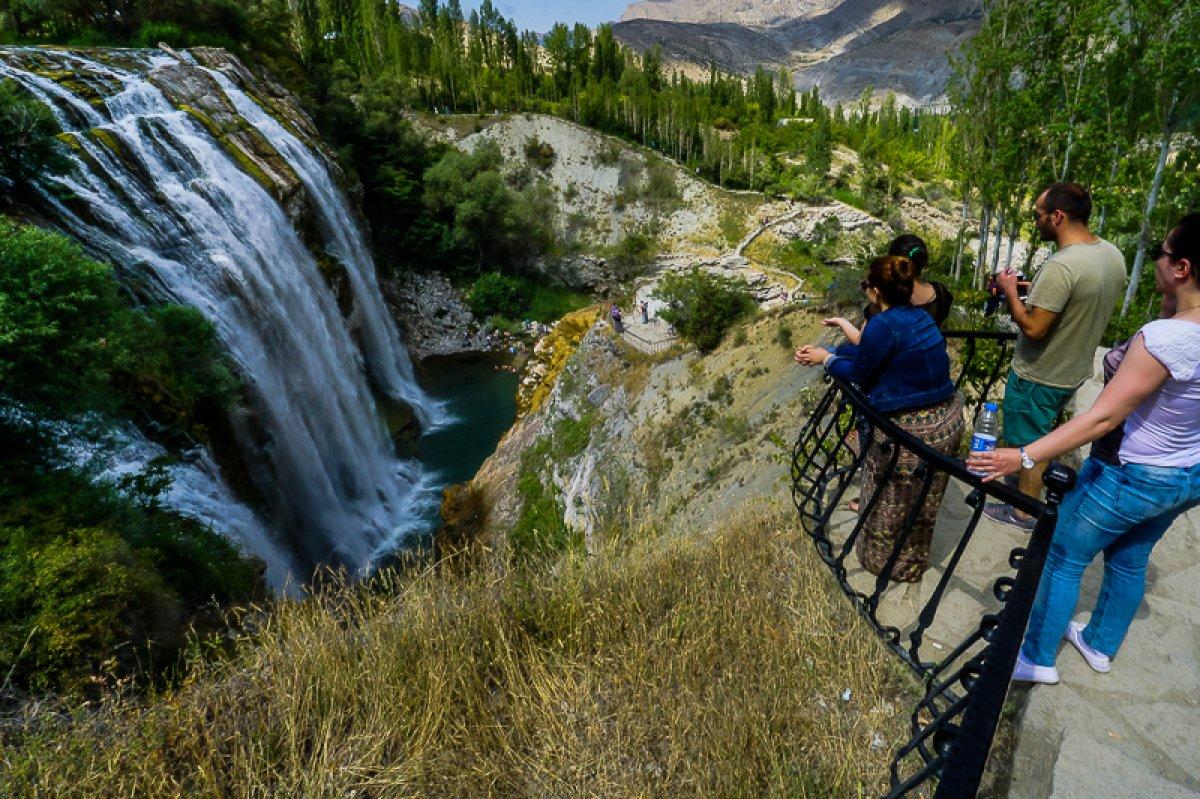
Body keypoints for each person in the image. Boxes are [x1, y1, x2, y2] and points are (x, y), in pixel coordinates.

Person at [969, 214, 1200, 683]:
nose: (1155, 257)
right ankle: (1099, 644)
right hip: (1186, 472)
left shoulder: (1166, 340)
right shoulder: (1180, 329)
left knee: (1063, 554)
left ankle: (1035, 658)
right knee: (1131, 558)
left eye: (1162, 251)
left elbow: (1103, 417)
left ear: (1182, 268)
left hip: (1132, 473)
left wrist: (1023, 455)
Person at [795, 256, 963, 581]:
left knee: (889, 501)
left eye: (865, 286)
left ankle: (885, 565)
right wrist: (839, 345)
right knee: (923, 502)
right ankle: (914, 560)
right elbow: (872, 353)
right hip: (948, 419)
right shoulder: (919, 317)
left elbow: (861, 371)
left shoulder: (884, 324)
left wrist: (825, 358)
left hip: (909, 432)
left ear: (875, 292)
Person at [986, 182, 1127, 531]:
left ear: (1058, 216)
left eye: (1038, 214)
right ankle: (1033, 491)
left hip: (1040, 374)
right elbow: (1075, 300)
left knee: (1029, 444)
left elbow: (1034, 328)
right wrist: (1030, 290)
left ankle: (1024, 512)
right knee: (1047, 435)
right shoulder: (1110, 255)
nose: (1035, 220)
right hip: (1073, 368)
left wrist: (1008, 293)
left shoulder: (1062, 266)